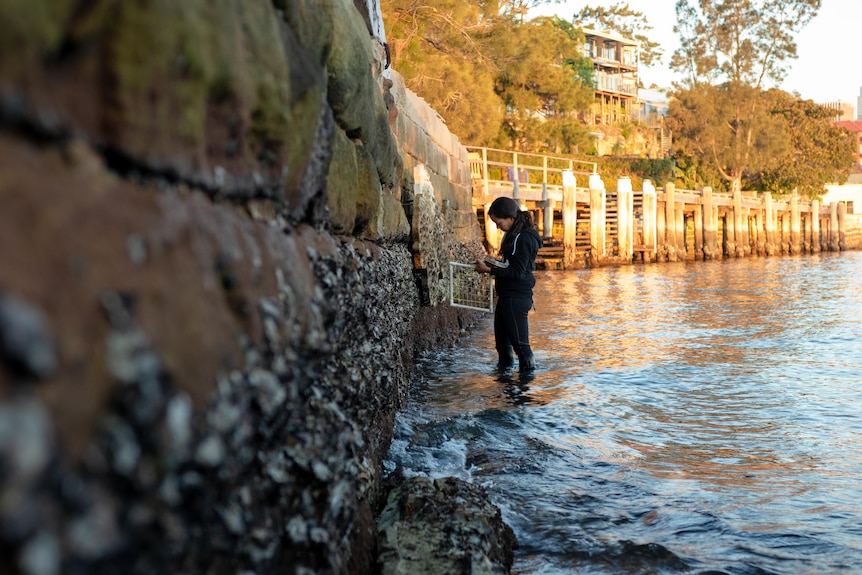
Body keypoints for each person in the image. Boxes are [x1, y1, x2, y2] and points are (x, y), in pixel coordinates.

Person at [475, 197, 543, 371]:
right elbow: (511, 264)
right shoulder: (514, 235)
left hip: (516, 297)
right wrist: (495, 262)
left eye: (499, 223)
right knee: (502, 346)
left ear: (510, 218)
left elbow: (517, 272)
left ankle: (524, 388)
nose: (498, 227)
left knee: (521, 346)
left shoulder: (524, 238)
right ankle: (505, 383)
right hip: (506, 297)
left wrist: (489, 270)